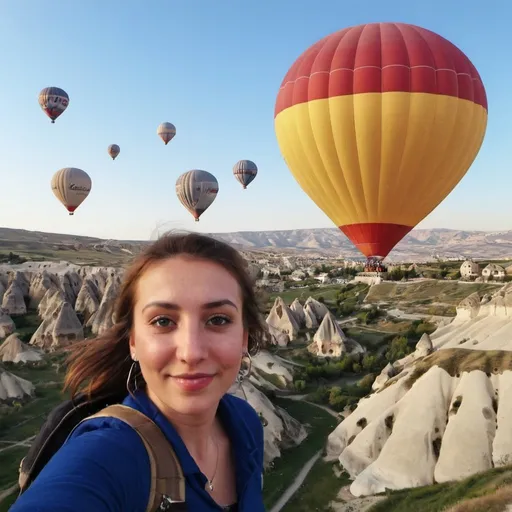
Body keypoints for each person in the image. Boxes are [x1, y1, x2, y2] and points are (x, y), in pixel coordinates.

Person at [11, 232, 268, 511]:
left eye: (218, 319)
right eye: (163, 321)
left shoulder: (246, 424)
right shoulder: (107, 454)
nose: (191, 352)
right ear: (133, 341)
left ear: (244, 337)